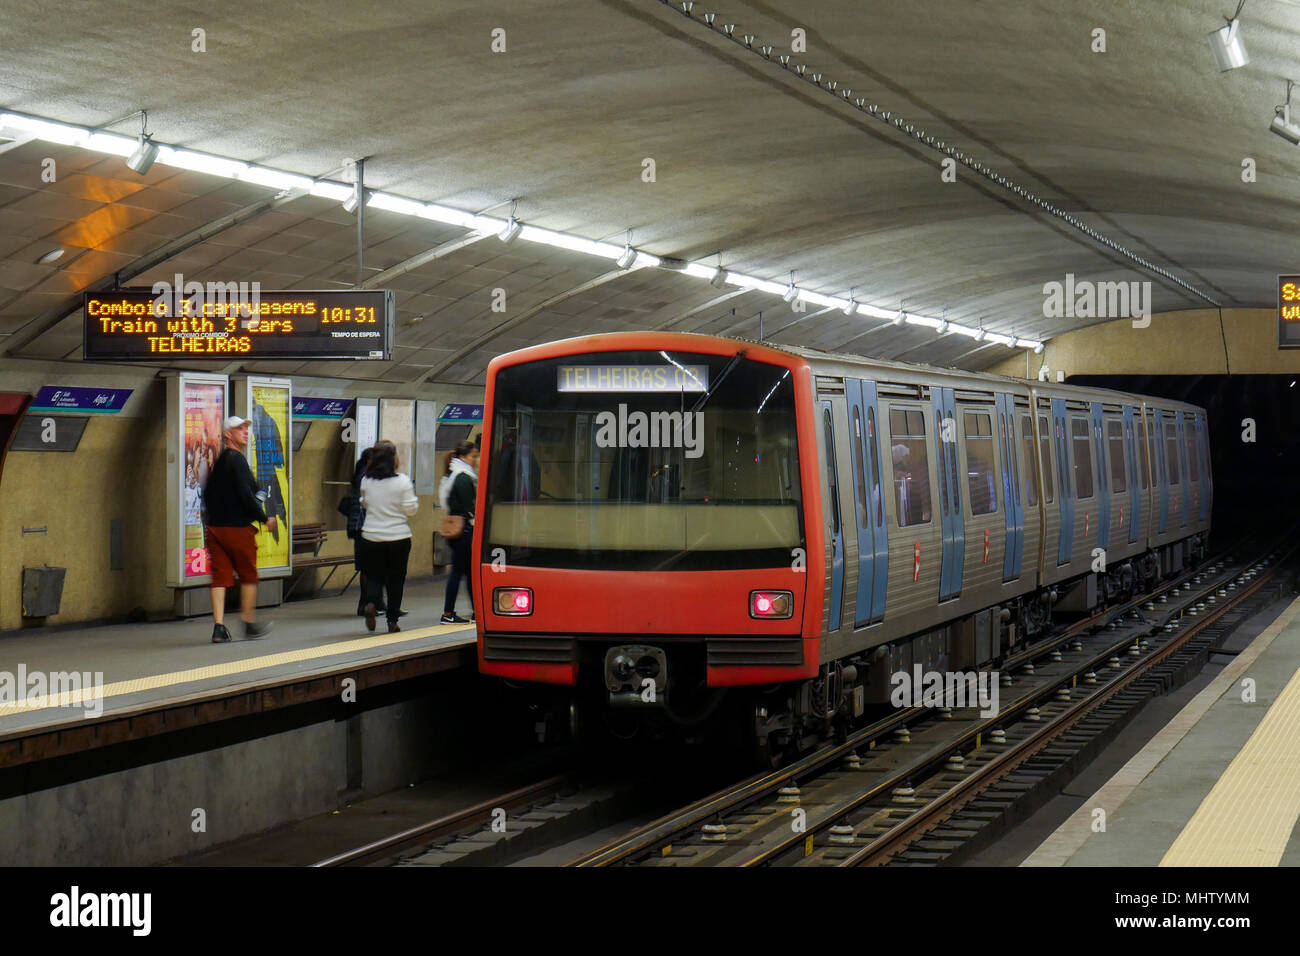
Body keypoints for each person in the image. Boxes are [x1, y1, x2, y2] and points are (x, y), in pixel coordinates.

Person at [203, 415, 276, 643]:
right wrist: (264, 518)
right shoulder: (237, 460)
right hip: (237, 528)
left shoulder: (221, 461)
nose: (245, 431)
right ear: (228, 435)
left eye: (246, 428)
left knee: (220, 577)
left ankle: (219, 627)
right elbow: (247, 495)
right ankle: (248, 622)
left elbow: (208, 494)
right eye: (239, 428)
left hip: (215, 529)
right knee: (248, 575)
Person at [358, 440, 419, 633]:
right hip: (398, 538)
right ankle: (392, 621)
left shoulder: (367, 480)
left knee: (374, 576)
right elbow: (411, 509)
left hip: (371, 537)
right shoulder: (402, 481)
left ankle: (371, 604)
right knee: (396, 579)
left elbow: (364, 503)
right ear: (393, 459)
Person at [440, 439, 479, 625]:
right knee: (459, 572)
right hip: (464, 529)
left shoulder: (451, 474)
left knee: (467, 572)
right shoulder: (463, 477)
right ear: (463, 457)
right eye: (473, 456)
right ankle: (448, 612)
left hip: (457, 528)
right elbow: (469, 506)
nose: (476, 460)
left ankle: (475, 610)